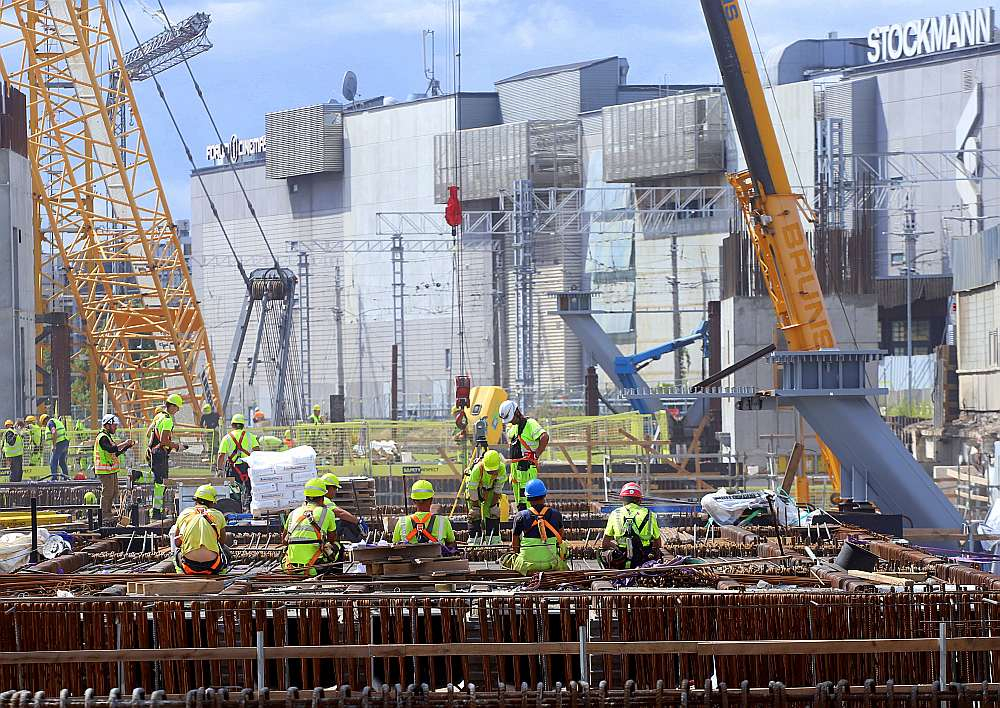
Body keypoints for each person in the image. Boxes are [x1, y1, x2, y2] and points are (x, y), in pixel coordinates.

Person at [503, 478, 567, 574]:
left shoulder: (520, 516)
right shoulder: (556, 514)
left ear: (527, 497)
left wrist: (519, 555)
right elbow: (560, 537)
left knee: (507, 559)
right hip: (550, 563)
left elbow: (515, 543)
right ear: (544, 495)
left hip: (527, 565)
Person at [499, 400, 549, 511]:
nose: (510, 421)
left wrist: (536, 455)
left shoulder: (530, 423)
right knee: (520, 503)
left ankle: (531, 519)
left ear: (517, 412)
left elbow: (544, 437)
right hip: (517, 471)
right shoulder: (514, 427)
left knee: (529, 501)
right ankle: (522, 517)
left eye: (511, 418)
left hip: (527, 470)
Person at [283, 478, 339, 575]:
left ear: (306, 496)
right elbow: (332, 539)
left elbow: (284, 540)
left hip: (289, 568)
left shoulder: (293, 513)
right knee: (337, 546)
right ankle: (333, 576)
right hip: (314, 569)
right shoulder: (327, 513)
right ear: (323, 497)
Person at [600, 482, 662, 569]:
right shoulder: (650, 514)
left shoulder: (615, 514)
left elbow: (605, 543)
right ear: (640, 500)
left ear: (622, 499)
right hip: (644, 561)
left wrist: (617, 548)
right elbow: (658, 544)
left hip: (620, 562)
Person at [171, 484, 229, 575]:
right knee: (226, 551)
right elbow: (222, 542)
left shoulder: (184, 514)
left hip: (189, 566)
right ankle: (221, 576)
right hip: (212, 565)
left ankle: (181, 574)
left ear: (196, 500)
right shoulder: (218, 515)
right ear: (212, 502)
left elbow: (177, 543)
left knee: (176, 554)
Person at [148, 394, 185, 520]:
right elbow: (164, 440)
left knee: (158, 481)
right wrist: (177, 446)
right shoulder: (168, 420)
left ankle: (157, 510)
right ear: (172, 406)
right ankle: (156, 511)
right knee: (160, 483)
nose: (178, 411)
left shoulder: (159, 416)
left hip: (154, 453)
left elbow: (149, 434)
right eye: (177, 408)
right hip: (160, 454)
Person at [392, 480, 457, 551]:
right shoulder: (443, 521)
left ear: (413, 501)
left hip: (409, 557)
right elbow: (452, 544)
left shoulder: (402, 522)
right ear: (431, 500)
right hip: (436, 557)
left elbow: (395, 545)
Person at [93, 414, 135, 522]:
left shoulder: (107, 437)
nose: (116, 428)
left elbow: (115, 453)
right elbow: (110, 449)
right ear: (107, 425)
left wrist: (126, 446)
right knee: (108, 492)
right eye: (114, 425)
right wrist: (124, 443)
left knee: (114, 492)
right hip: (104, 470)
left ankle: (108, 512)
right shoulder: (102, 437)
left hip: (110, 469)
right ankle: (104, 514)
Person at [216, 413, 260, 505]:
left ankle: (236, 508)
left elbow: (221, 455)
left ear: (232, 425)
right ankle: (248, 508)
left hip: (233, 469)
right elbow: (257, 451)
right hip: (247, 467)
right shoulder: (250, 436)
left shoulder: (227, 438)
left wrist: (219, 469)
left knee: (234, 492)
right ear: (243, 425)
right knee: (249, 490)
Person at [465, 449, 505, 540]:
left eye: (494, 470)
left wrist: (493, 505)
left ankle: (493, 539)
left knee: (493, 512)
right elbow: (472, 489)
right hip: (475, 489)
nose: (492, 473)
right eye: (489, 471)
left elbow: (498, 489)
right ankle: (474, 539)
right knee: (474, 514)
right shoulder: (477, 469)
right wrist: (475, 507)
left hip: (490, 489)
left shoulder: (501, 469)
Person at [41, 413, 70, 480]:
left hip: (59, 443)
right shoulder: (56, 421)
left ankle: (54, 478)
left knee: (53, 462)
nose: (45, 425)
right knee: (62, 461)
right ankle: (66, 478)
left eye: (44, 424)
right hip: (65, 442)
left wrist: (54, 446)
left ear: (45, 420)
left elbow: (54, 432)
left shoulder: (50, 423)